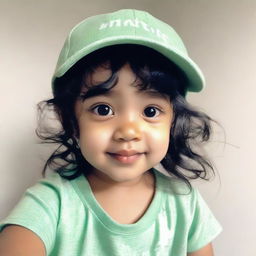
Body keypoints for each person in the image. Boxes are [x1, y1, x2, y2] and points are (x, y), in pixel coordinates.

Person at [0, 9, 222, 256]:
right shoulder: (51, 203)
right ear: (71, 120)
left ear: (172, 122)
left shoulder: (185, 202)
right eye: (103, 109)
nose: (128, 132)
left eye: (150, 111)